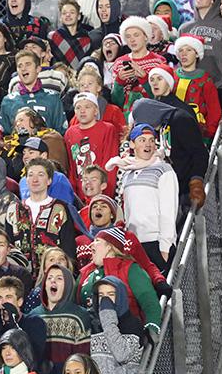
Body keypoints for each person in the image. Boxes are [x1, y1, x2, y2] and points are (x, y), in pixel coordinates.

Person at [107, 123, 179, 273]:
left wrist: (165, 247)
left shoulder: (164, 170)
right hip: (134, 243)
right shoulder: (127, 172)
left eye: (151, 140)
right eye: (142, 140)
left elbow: (169, 211)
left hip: (156, 243)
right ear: (132, 144)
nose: (148, 144)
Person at [77, 228, 162, 337]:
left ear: (110, 247)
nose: (91, 245)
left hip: (124, 336)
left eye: (97, 241)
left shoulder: (131, 269)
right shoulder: (85, 273)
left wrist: (152, 327)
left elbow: (150, 303)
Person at [130, 98, 209, 211]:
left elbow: (199, 153)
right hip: (175, 186)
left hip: (187, 188)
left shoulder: (181, 120)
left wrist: (196, 181)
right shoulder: (164, 124)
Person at [5, 157, 80, 270]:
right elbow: (8, 245)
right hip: (20, 277)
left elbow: (68, 248)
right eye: (30, 175)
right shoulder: (13, 209)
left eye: (40, 175)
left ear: (49, 180)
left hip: (52, 277)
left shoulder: (61, 209)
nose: (35, 179)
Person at [29, 265, 91, 374]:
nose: (53, 281)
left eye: (59, 278)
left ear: (67, 285)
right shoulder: (33, 316)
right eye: (49, 278)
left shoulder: (79, 316)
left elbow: (84, 359)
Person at [64, 92, 119, 200]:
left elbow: (110, 164)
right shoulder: (70, 133)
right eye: (78, 108)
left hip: (102, 192)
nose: (82, 111)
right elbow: (72, 166)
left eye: (87, 107)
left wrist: (106, 195)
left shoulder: (107, 129)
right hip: (81, 195)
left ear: (96, 110)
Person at [0, 50, 67, 135]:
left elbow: (60, 133)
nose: (23, 68)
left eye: (28, 64)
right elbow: (4, 136)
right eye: (20, 66)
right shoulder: (8, 101)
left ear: (38, 69)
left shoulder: (53, 98)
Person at [111, 16, 166, 117]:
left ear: (146, 36)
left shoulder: (159, 62)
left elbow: (162, 97)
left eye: (136, 35)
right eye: (128, 36)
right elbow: (116, 102)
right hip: (126, 119)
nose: (132, 40)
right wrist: (119, 82)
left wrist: (145, 79)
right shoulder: (119, 63)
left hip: (152, 116)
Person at [172, 34, 222, 140]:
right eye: (181, 50)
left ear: (197, 54)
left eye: (189, 50)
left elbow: (213, 109)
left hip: (197, 129)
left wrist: (210, 132)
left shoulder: (205, 79)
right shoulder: (172, 76)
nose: (184, 54)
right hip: (173, 128)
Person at [49, 0, 93, 70]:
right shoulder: (52, 37)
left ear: (78, 16)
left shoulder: (87, 39)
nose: (68, 15)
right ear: (60, 17)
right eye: (64, 13)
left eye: (72, 12)